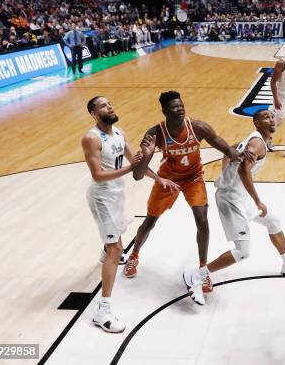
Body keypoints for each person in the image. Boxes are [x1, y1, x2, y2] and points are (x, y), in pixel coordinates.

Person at [182, 109, 285, 305]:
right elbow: (244, 171)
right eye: (265, 117)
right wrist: (257, 199)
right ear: (256, 123)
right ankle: (196, 275)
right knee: (242, 251)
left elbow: (232, 149)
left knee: (273, 221)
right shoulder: (257, 143)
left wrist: (226, 167)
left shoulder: (257, 139)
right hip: (230, 198)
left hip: (239, 195)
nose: (271, 119)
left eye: (272, 116)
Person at [125, 91, 244, 294]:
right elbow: (137, 175)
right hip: (167, 180)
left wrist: (239, 154)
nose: (179, 109)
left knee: (202, 220)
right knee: (150, 221)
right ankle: (134, 256)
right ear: (164, 111)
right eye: (174, 107)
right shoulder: (155, 134)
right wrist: (146, 154)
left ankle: (203, 270)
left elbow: (225, 148)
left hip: (193, 178)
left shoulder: (198, 127)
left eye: (181, 105)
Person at [81, 96, 147, 333]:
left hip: (117, 194)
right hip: (101, 197)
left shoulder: (119, 133)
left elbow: (135, 162)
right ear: (94, 114)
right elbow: (98, 174)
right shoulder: (91, 138)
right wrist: (131, 168)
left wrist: (159, 178)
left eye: (110, 103)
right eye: (102, 106)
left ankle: (106, 252)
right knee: (116, 249)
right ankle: (103, 311)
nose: (109, 106)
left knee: (115, 239)